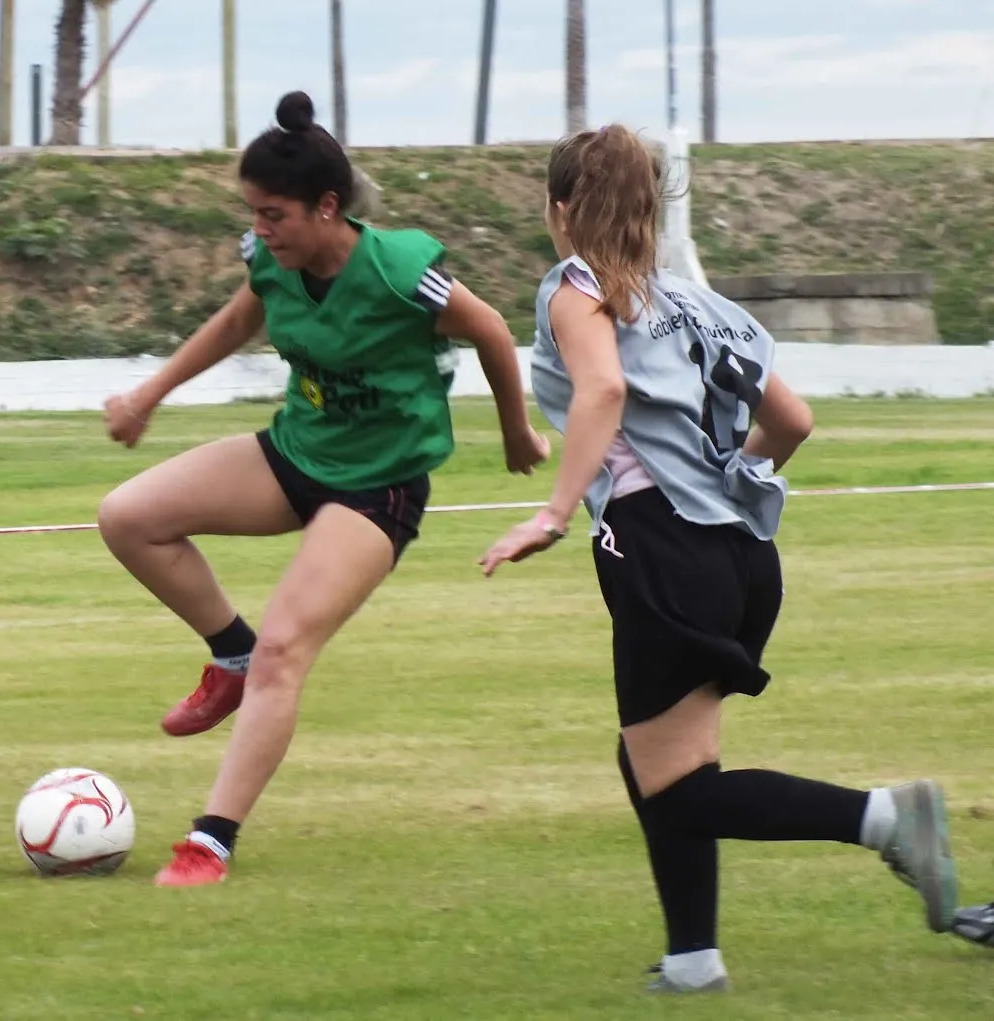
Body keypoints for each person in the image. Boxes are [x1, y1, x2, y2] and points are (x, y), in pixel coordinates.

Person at [476, 124, 958, 992]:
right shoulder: (702, 303)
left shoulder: (572, 284)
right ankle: (694, 960)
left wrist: (552, 512)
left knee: (680, 788)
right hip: (742, 556)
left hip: (664, 551)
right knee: (655, 759)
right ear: (651, 210)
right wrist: (731, 485)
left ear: (557, 210)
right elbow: (795, 423)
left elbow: (604, 388)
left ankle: (888, 818)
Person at [97, 91, 550, 888]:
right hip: (296, 455)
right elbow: (241, 319)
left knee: (287, 649)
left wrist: (516, 433)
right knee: (128, 517)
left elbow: (489, 330)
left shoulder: (404, 272)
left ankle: (211, 841)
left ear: (327, 206)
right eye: (253, 213)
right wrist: (149, 394)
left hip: (377, 489)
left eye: (274, 214)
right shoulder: (273, 259)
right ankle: (226, 653)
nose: (261, 229)